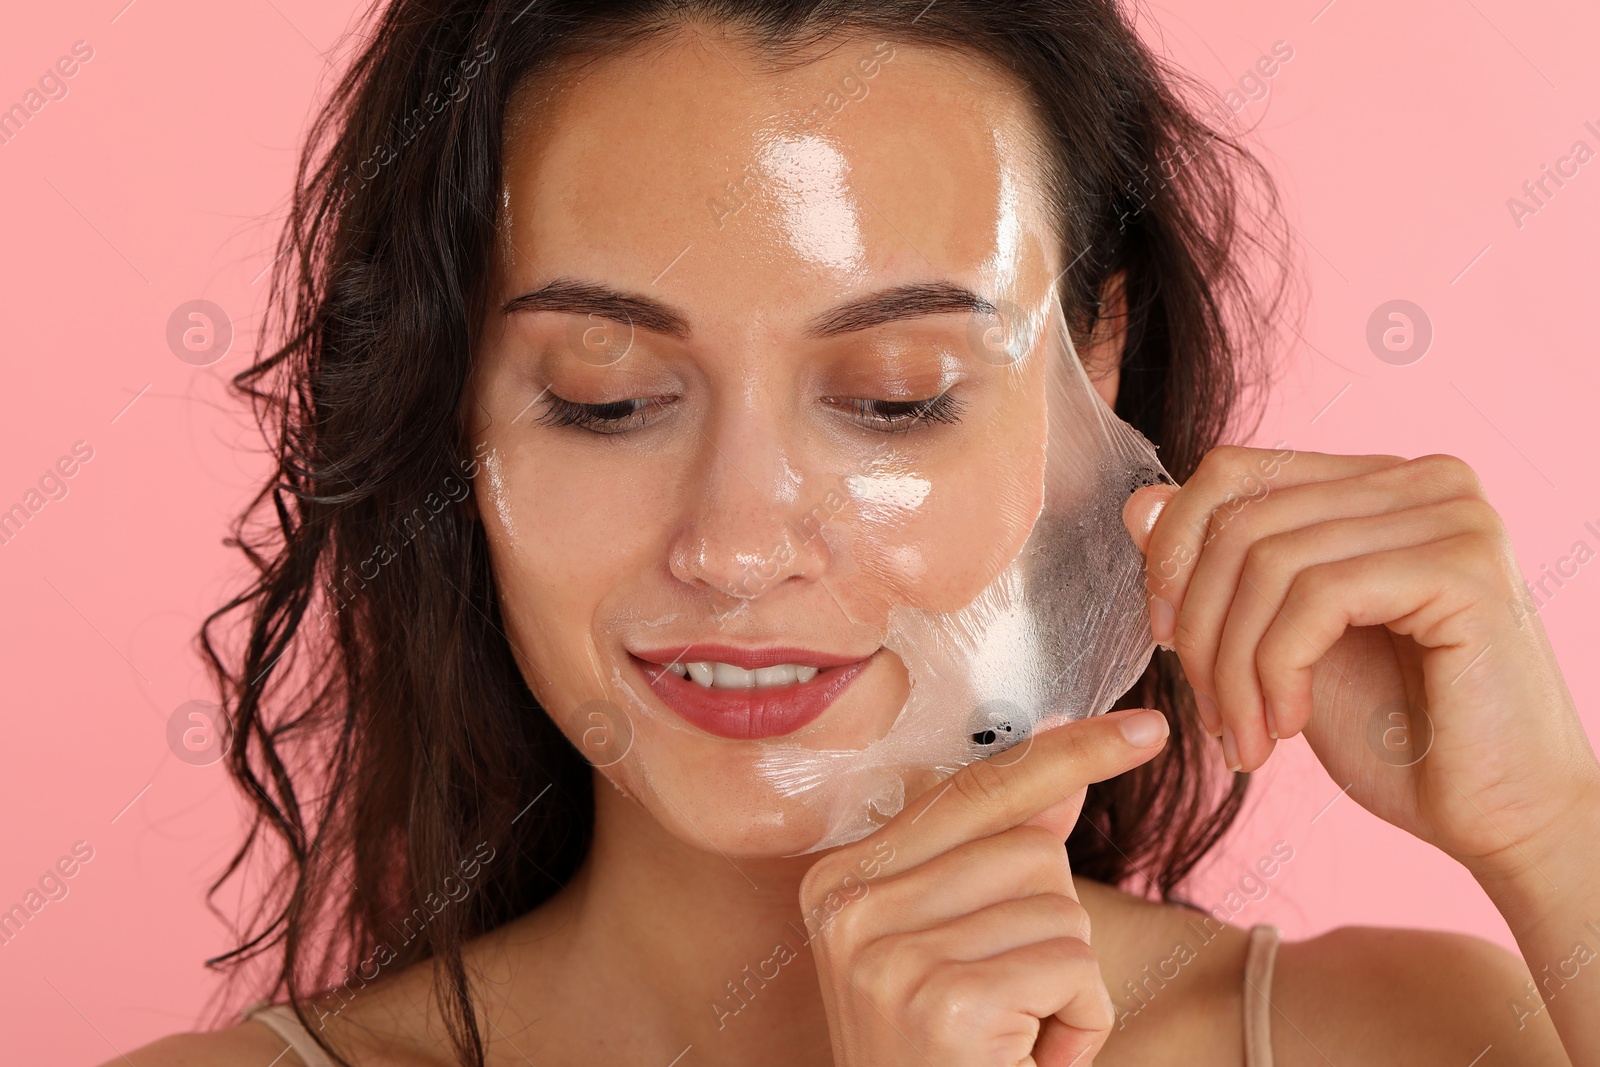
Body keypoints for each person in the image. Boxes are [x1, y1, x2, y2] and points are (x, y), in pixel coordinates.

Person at [118, 2, 1599, 1064]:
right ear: (461, 423)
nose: (739, 544)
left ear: (1095, 372)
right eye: (609, 399)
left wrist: (1557, 835)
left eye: (894, 401)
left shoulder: (1408, 1040)